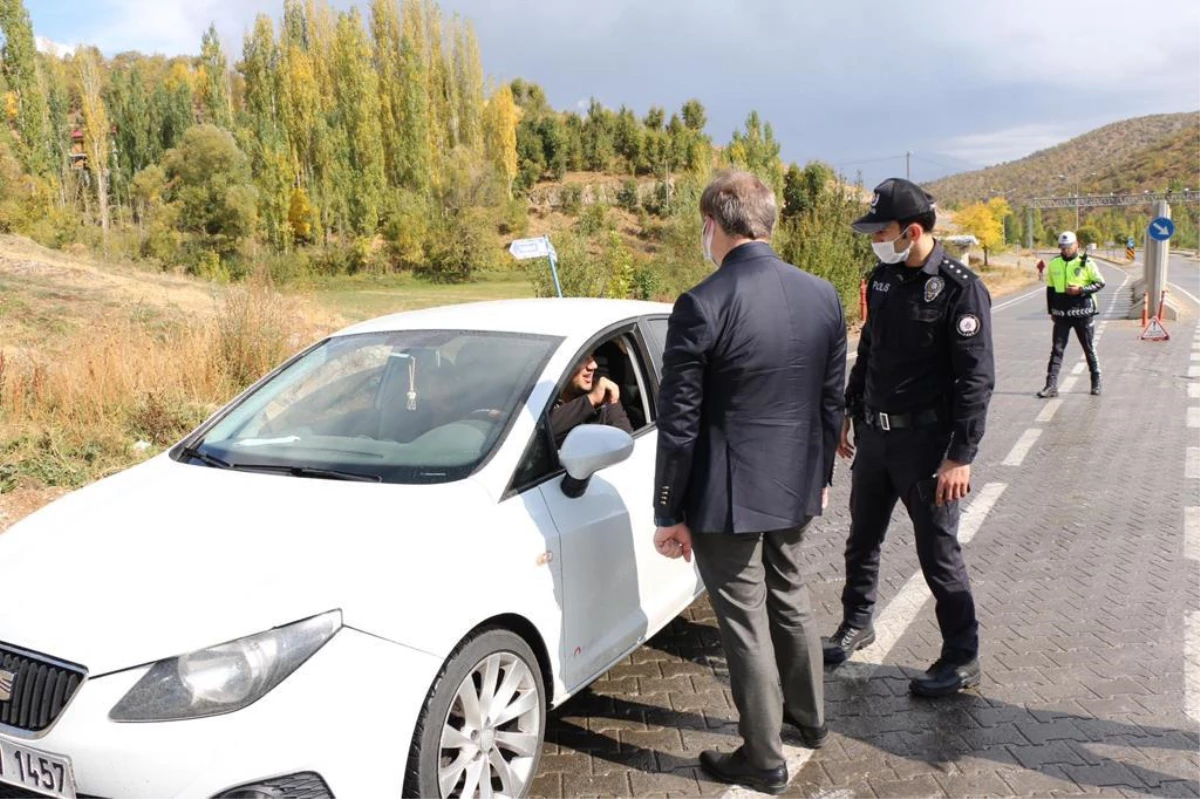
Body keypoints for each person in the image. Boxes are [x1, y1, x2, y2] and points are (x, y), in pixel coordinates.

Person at [652, 170, 846, 794]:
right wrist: (819, 478)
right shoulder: (822, 295)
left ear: (713, 224)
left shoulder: (702, 303)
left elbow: (678, 425)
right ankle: (810, 720)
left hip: (726, 496)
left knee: (744, 622)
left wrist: (667, 510)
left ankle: (763, 758)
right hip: (793, 484)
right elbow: (830, 401)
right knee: (789, 597)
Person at [824, 177, 995, 698]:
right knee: (862, 539)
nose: (876, 239)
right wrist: (850, 411)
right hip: (877, 439)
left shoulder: (960, 289)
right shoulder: (883, 279)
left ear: (913, 231)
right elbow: (870, 349)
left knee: (938, 553)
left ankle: (962, 657)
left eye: (883, 230)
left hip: (928, 449)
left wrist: (960, 455)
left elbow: (977, 379)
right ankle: (857, 622)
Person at [1036, 230, 1105, 398]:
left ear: (1077, 245)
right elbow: (1050, 288)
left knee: (1089, 348)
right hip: (1061, 313)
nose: (1066, 250)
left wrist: (1080, 290)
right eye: (1063, 247)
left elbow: (1100, 283)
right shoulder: (1054, 263)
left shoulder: (1087, 263)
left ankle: (1096, 382)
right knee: (1057, 350)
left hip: (1083, 312)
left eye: (1069, 247)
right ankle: (1051, 386)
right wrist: (1051, 310)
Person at [549, 351, 632, 447]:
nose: (593, 365)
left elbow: (625, 441)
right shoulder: (541, 398)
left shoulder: (604, 395)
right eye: (582, 358)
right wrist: (590, 400)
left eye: (592, 356)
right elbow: (537, 431)